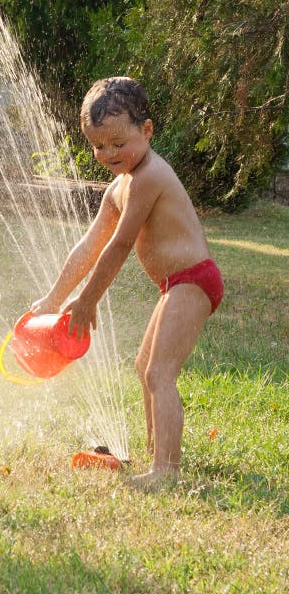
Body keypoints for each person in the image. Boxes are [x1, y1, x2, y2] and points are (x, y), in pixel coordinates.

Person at [31, 77, 223, 491]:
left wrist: (87, 300)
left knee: (160, 372)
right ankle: (158, 453)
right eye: (99, 146)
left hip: (194, 280)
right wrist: (52, 299)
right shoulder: (119, 187)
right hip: (175, 283)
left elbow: (117, 247)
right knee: (144, 367)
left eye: (119, 143)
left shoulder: (150, 177)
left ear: (147, 130)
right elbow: (88, 246)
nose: (109, 154)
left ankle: (165, 471)